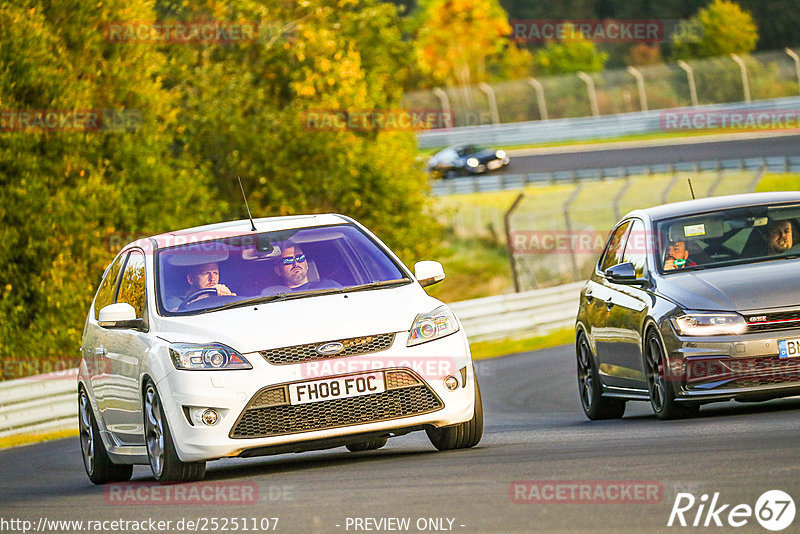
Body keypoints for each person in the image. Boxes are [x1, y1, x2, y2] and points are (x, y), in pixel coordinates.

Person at [273, 244, 340, 291]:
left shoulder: (330, 287)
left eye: (300, 258)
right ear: (278, 270)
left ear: (306, 264)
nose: (295, 264)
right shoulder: (272, 297)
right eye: (288, 260)